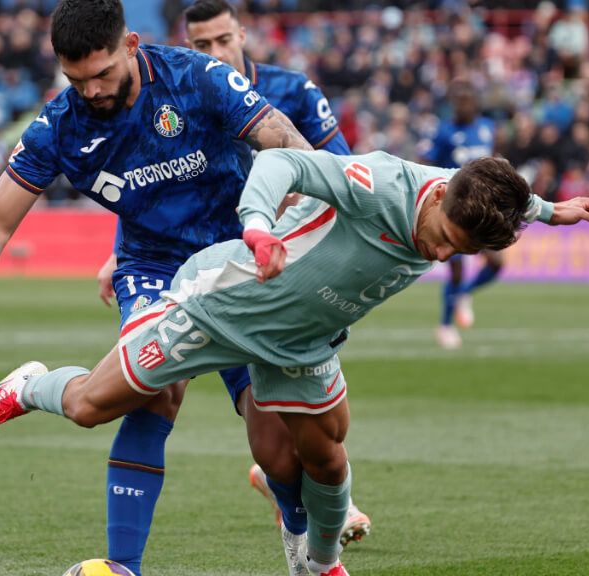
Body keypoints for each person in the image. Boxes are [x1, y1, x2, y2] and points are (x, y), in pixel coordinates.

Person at [0, 149, 589, 576]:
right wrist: (257, 224)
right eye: (442, 239)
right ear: (436, 199)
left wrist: (561, 210)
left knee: (324, 458)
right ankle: (26, 385)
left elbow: (513, 198)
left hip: (300, 344)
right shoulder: (379, 181)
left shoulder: (466, 194)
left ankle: (322, 563)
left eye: (458, 253)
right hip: (218, 304)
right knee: (87, 407)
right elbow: (283, 164)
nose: (440, 256)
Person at [0, 0, 318, 573]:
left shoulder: (195, 78)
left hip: (234, 260)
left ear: (131, 45)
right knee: (153, 390)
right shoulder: (59, 127)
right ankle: (124, 566)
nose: (92, 90)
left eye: (102, 74)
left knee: (277, 443)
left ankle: (303, 549)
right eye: (76, 79)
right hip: (153, 266)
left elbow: (286, 141)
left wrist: (302, 212)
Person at [89, 0, 367, 571]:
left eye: (223, 40)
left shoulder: (292, 92)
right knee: (152, 390)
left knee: (291, 435)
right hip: (188, 265)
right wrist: (119, 252)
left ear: (243, 33)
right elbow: (150, 174)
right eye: (202, 44)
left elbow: (340, 169)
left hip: (267, 267)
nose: (215, 53)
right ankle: (123, 564)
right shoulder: (188, 87)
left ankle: (295, 504)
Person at [423, 79, 498, 349]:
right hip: (454, 207)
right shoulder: (444, 132)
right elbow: (428, 163)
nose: (464, 105)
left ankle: (463, 295)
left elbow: (495, 161)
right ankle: (445, 325)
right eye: (460, 100)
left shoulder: (488, 128)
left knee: (497, 263)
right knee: (455, 269)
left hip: (485, 206)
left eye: (468, 100)